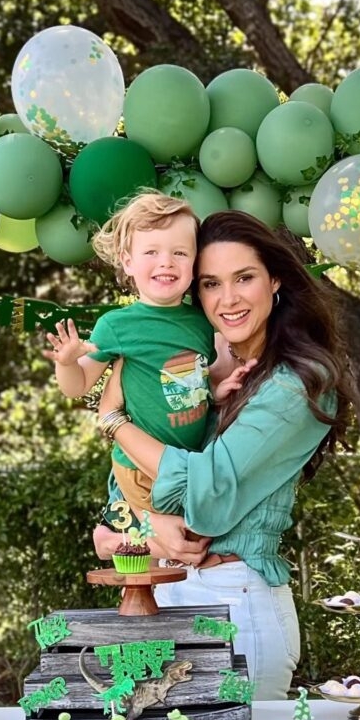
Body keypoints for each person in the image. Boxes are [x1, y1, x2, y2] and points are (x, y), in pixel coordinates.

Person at [96, 210, 351, 701]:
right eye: (211, 283)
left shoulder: (297, 384)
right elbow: (153, 477)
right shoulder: (207, 378)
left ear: (275, 280)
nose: (227, 299)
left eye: (244, 278)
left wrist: (113, 422)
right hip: (170, 590)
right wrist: (134, 528)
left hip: (236, 598)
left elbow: (205, 494)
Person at [43, 191, 250, 552]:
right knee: (161, 549)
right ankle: (113, 540)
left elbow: (189, 381)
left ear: (194, 263)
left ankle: (116, 539)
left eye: (179, 253)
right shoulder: (118, 326)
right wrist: (66, 363)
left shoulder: (202, 321)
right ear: (128, 262)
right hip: (139, 462)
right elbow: (78, 387)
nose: (166, 262)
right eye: (151, 252)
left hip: (185, 459)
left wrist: (215, 392)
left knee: (185, 541)